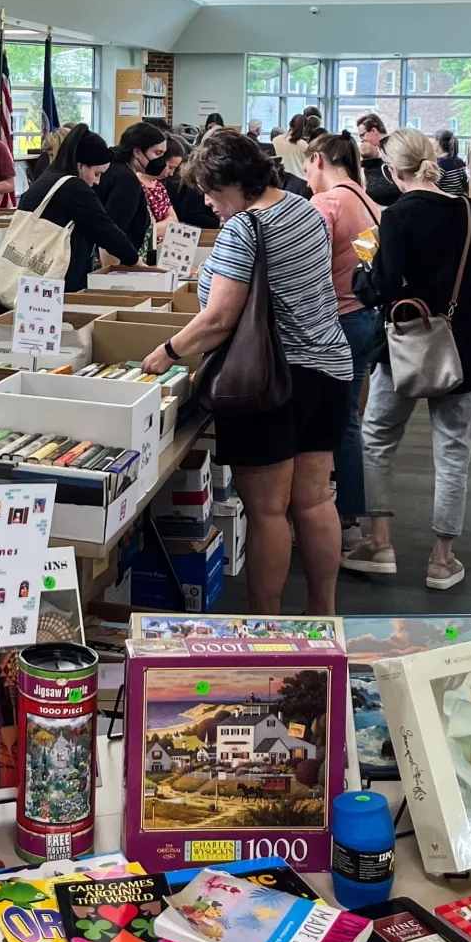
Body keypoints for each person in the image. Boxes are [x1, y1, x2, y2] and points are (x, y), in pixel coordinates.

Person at [141, 130, 352, 614]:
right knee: (316, 502)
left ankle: (266, 625)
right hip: (328, 370)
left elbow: (219, 319)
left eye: (213, 193)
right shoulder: (305, 206)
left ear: (234, 183)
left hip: (268, 383)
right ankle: (324, 614)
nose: (211, 204)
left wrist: (167, 352)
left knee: (268, 512)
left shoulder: (244, 228)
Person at [340, 128, 471, 591]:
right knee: (453, 452)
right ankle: (442, 558)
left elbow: (380, 288)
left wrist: (362, 275)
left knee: (378, 439)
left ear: (391, 171)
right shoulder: (469, 211)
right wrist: (460, 328)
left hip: (402, 347)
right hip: (460, 350)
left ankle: (379, 542)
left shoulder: (397, 217)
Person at [304, 130, 381, 551]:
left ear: (318, 159)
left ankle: (341, 514)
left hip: (335, 321)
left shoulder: (327, 203)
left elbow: (306, 266)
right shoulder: (368, 202)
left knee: (336, 422)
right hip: (363, 317)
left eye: (306, 167)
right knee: (349, 415)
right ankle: (351, 510)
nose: (307, 178)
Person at [15, 125, 145, 293]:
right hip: (55, 284)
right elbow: (106, 230)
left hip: (29, 277)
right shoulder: (74, 187)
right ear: (80, 166)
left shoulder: (48, 178)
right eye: (97, 174)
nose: (97, 181)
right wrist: (138, 264)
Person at [97, 121, 167, 262]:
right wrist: (109, 276)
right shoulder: (126, 180)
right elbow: (112, 234)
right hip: (114, 266)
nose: (161, 161)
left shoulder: (112, 168)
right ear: (137, 151)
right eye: (157, 153)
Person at [139, 135, 185, 243]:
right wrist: (163, 225)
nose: (171, 173)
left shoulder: (159, 187)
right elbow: (141, 229)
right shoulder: (135, 185)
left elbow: (174, 222)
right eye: (170, 167)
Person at [356, 113, 400, 208]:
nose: (361, 140)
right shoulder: (380, 151)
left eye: (362, 135)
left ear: (373, 130)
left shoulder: (395, 149)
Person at [272, 114, 311, 179]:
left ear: (290, 124)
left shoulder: (275, 140)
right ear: (304, 128)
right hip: (301, 182)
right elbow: (309, 167)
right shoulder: (303, 145)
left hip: (281, 181)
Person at [434, 129, 471, 195]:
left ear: (438, 142)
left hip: (446, 202)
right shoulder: (459, 161)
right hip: (459, 201)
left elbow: (433, 187)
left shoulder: (441, 164)